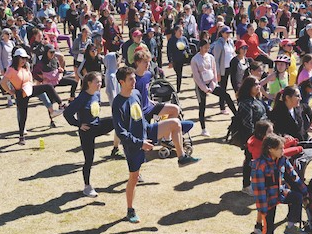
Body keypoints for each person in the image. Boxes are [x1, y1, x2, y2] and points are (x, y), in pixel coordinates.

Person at [113, 66, 199, 223]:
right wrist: (140, 143)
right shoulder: (117, 103)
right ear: (121, 82)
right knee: (133, 178)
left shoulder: (137, 94)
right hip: (134, 145)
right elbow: (121, 133)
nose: (134, 82)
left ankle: (181, 157)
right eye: (130, 79)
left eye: (134, 78)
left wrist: (156, 114)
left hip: (147, 132)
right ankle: (130, 210)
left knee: (175, 123)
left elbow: (144, 113)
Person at [251, 134, 308, 234]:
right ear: (270, 149)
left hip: (280, 193)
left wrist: (305, 192)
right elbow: (259, 190)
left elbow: (293, 176)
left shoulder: (282, 159)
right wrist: (263, 209)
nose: (283, 151)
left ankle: (291, 226)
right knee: (268, 227)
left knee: (297, 197)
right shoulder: (260, 165)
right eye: (280, 148)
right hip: (267, 199)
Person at [64, 72, 119, 198]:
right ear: (89, 83)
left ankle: (127, 146)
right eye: (97, 82)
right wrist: (78, 124)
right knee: (89, 160)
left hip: (97, 126)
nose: (100, 84)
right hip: (86, 131)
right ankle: (87, 187)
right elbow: (67, 113)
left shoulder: (97, 93)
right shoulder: (82, 97)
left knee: (116, 120)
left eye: (100, 82)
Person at [2, 49, 65, 143]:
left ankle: (61, 104)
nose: (24, 60)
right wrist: (10, 91)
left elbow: (30, 76)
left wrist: (31, 84)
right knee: (23, 114)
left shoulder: (25, 66)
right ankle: (21, 137)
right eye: (21, 58)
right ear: (16, 58)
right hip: (20, 93)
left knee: (48, 87)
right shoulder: (11, 70)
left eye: (25, 58)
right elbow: (2, 82)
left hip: (29, 88)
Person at [190, 39, 235, 137]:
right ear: (200, 47)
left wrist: (213, 85)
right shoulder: (194, 60)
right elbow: (196, 77)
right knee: (202, 106)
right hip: (201, 85)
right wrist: (205, 89)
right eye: (205, 47)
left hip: (211, 83)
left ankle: (236, 114)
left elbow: (214, 71)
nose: (207, 49)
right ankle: (203, 129)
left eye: (208, 47)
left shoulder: (210, 57)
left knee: (226, 95)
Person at [236, 75, 268, 193]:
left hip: (263, 135)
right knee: (249, 160)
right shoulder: (245, 102)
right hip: (252, 137)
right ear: (249, 87)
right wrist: (256, 137)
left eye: (259, 84)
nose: (258, 86)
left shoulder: (257, 100)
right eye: (255, 84)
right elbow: (247, 123)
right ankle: (246, 185)